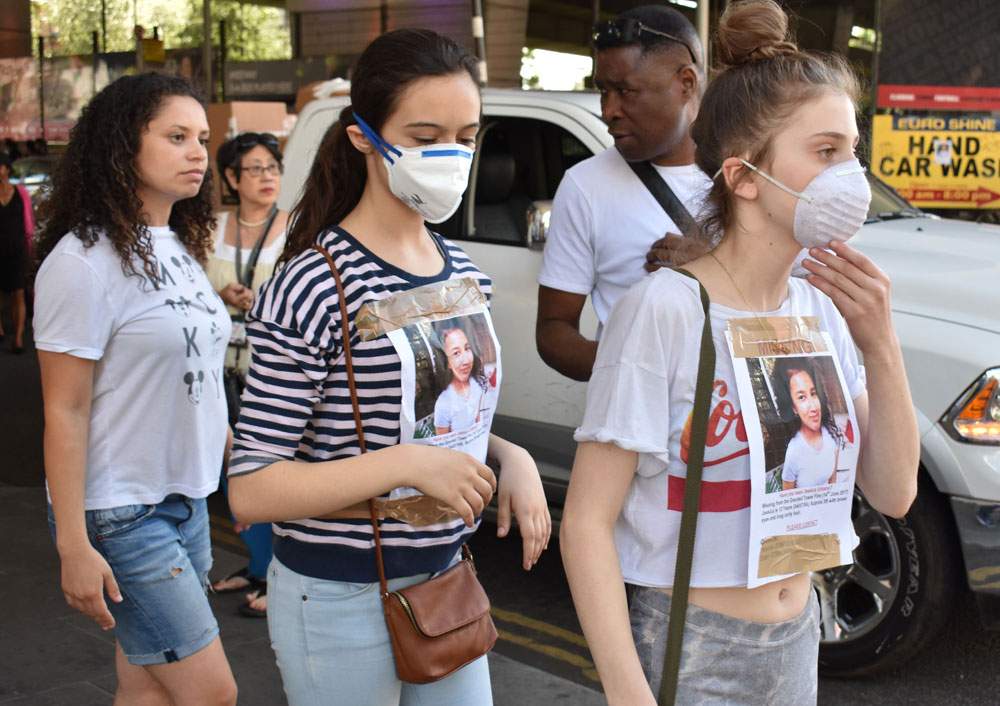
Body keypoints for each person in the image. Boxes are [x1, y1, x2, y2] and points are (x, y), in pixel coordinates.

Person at [560, 2, 921, 704]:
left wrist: (881, 344)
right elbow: (586, 523)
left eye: (851, 150)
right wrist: (629, 694)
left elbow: (894, 493)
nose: (849, 174)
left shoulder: (820, 302)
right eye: (825, 152)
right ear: (745, 177)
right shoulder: (664, 310)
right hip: (688, 649)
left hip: (797, 640)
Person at [226, 29, 550, 706]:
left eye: (466, 136)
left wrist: (506, 453)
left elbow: (420, 419)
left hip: (444, 578)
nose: (452, 156)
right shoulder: (315, 281)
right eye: (425, 133)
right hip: (340, 595)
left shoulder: (465, 274)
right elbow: (253, 488)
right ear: (363, 139)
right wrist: (405, 466)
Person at [33, 73, 237, 706]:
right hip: (121, 512)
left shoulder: (176, 244)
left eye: (202, 137)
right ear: (123, 146)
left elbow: (193, 375)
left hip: (186, 498)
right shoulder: (81, 261)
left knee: (147, 686)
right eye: (176, 137)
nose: (199, 152)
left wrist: (236, 452)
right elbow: (63, 411)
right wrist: (73, 544)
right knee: (211, 693)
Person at [535, 4, 711, 382]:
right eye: (603, 91)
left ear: (686, 83)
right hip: (630, 430)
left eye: (626, 91)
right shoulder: (586, 186)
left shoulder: (747, 175)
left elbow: (802, 302)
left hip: (737, 427)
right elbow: (553, 330)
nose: (609, 110)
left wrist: (715, 270)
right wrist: (631, 368)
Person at [205, 132, 289, 618]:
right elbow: (191, 291)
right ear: (232, 178)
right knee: (226, 467)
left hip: (271, 372)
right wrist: (221, 297)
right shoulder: (210, 228)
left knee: (264, 468)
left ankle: (280, 574)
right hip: (218, 369)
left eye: (272, 167)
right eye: (254, 169)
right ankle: (258, 566)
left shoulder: (295, 228)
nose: (266, 177)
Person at [778, 360, 847, 490]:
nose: (813, 407)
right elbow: (787, 497)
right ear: (793, 407)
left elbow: (833, 480)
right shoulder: (794, 451)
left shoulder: (831, 434)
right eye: (801, 397)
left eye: (813, 394)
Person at [0, 152, 32, 353]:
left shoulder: (20, 193)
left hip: (18, 249)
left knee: (18, 293)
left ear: (7, 169)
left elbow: (28, 221)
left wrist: (30, 245)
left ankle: (19, 337)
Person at [434, 325, 491, 435]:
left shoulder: (477, 385)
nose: (466, 361)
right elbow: (441, 447)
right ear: (447, 363)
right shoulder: (443, 404)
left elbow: (478, 421)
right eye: (456, 353)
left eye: (467, 348)